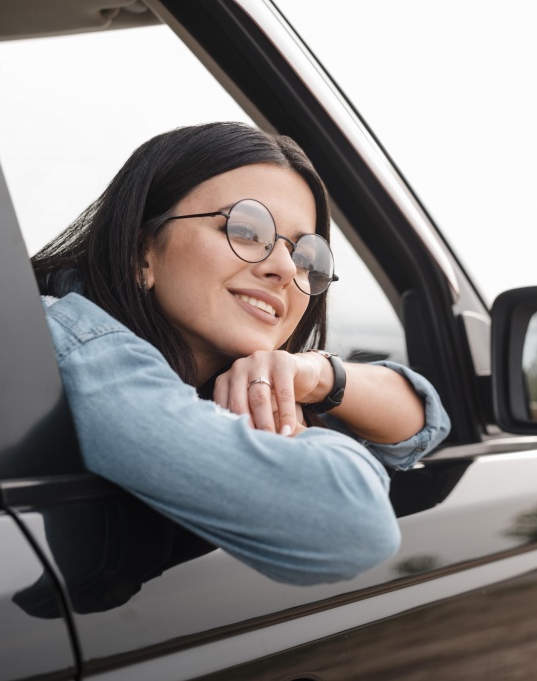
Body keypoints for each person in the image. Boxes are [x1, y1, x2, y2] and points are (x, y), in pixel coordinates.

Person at [33, 122, 450, 585]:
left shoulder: (217, 378)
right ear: (141, 252)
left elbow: (423, 427)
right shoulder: (76, 348)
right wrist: (291, 428)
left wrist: (312, 374)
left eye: (307, 256)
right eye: (247, 230)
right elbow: (354, 524)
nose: (283, 267)